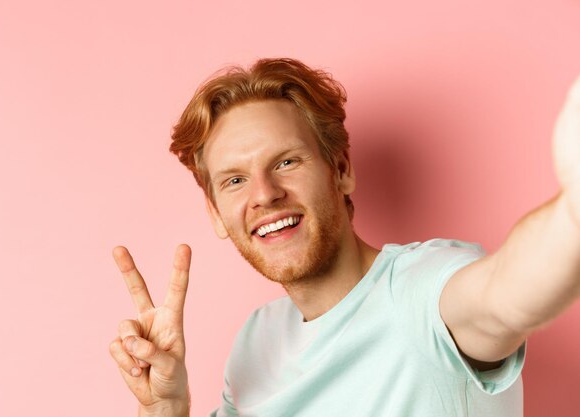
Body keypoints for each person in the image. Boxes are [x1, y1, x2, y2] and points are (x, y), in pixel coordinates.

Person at [108, 58, 580, 417]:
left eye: (286, 162)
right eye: (234, 180)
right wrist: (166, 409)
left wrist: (572, 215)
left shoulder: (420, 290)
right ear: (215, 213)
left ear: (342, 170)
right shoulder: (256, 341)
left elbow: (507, 294)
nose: (265, 195)